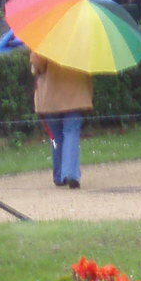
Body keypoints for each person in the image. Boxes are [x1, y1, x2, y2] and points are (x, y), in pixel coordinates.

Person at [30, 50, 93, 188]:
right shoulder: (82, 35)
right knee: (71, 132)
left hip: (50, 96)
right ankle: (71, 173)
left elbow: (38, 64)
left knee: (55, 136)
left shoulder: (45, 37)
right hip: (76, 92)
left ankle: (59, 175)